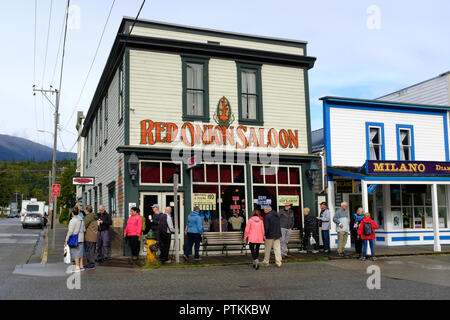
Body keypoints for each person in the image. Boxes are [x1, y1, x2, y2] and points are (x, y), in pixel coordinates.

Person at [65, 208, 85, 272]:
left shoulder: (73, 220)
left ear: (72, 213)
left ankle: (77, 267)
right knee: (80, 252)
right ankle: (81, 266)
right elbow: (84, 229)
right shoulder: (82, 220)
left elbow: (70, 231)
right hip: (81, 238)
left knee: (75, 252)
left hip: (75, 238)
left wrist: (66, 240)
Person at [83, 205, 98, 269]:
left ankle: (91, 264)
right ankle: (91, 263)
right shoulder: (94, 216)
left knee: (89, 250)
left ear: (87, 210)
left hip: (89, 236)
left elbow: (83, 225)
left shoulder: (88, 217)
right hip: (94, 236)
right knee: (92, 250)